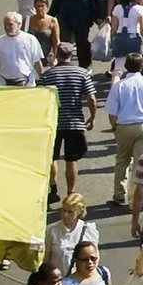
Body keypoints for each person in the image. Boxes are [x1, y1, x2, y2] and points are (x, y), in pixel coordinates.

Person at [104, 55, 143, 210]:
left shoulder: (119, 86)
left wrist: (114, 127)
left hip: (124, 126)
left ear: (126, 66)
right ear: (142, 65)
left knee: (122, 160)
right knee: (140, 163)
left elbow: (112, 112)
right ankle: (135, 199)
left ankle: (119, 194)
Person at [42, 41, 96, 201]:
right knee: (71, 159)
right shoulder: (81, 73)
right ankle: (71, 191)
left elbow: (40, 99)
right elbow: (91, 98)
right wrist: (92, 117)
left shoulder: (47, 75)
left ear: (57, 56)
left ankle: (53, 188)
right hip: (74, 122)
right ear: (71, 55)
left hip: (54, 123)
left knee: (52, 157)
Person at [0, 9, 44, 87]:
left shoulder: (30, 39)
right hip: (4, 83)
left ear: (19, 24)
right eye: (5, 24)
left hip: (27, 82)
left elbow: (37, 62)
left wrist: (43, 81)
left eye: (10, 24)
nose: (7, 27)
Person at [52, 193, 102, 274]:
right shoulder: (52, 230)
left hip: (81, 281)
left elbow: (94, 258)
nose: (65, 215)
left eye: (70, 212)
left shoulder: (88, 230)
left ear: (80, 212)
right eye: (63, 210)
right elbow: (46, 259)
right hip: (58, 281)